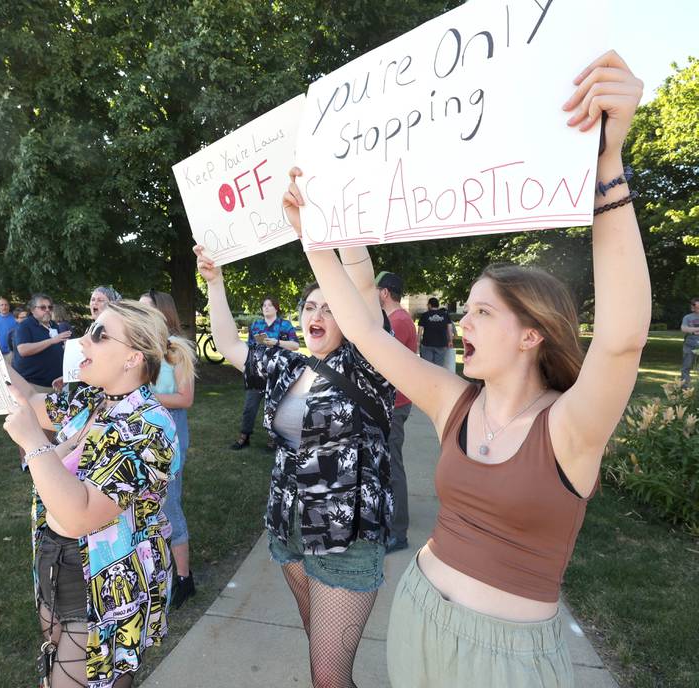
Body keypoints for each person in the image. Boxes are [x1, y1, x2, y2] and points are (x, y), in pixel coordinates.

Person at [285, 52, 647, 688]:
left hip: (507, 662)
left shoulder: (569, 428)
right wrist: (315, 240)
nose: (462, 326)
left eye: (482, 312)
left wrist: (607, 165)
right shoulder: (455, 403)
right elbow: (366, 332)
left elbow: (620, 342)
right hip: (418, 620)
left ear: (531, 333)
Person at [0, 299, 190, 687]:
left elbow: (81, 514)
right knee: (54, 666)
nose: (82, 342)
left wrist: (34, 443)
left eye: (98, 335)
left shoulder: (149, 427)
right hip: (56, 559)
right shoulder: (91, 399)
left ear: (132, 358)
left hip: (105, 581)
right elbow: (28, 398)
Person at [195, 243, 394, 688]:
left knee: (326, 677)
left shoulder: (371, 364)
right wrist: (215, 282)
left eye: (330, 306)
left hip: (345, 538)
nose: (316, 314)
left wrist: (340, 234)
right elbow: (228, 343)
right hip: (289, 529)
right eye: (309, 305)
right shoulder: (287, 365)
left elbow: (362, 285)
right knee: (321, 654)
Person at [140, 290, 198, 608]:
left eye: (145, 308)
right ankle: (155, 571)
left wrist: (143, 397)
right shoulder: (139, 347)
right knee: (146, 505)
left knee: (169, 504)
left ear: (163, 312)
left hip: (170, 434)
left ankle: (184, 580)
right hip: (141, 434)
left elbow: (185, 399)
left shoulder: (177, 349)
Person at [376, 271, 417, 554]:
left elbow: (380, 358)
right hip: (391, 402)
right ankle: (388, 519)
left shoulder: (399, 321)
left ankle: (398, 533)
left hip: (395, 404)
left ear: (385, 292)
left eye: (375, 289)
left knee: (393, 467)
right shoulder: (397, 319)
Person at [229, 296, 300, 450]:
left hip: (277, 373)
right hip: (257, 372)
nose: (266, 307)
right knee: (250, 406)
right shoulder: (256, 325)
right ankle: (244, 436)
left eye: (269, 305)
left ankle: (273, 439)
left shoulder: (285, 325)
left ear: (276, 308)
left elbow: (295, 346)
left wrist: (277, 343)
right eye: (264, 305)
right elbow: (249, 346)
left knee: (274, 407)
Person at [13, 293, 71, 394]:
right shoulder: (25, 326)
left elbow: (57, 347)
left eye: (50, 307)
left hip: (58, 383)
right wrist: (52, 341)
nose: (47, 310)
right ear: (32, 310)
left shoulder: (53, 325)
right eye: (43, 307)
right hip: (36, 385)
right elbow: (23, 350)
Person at [417, 297, 454, 366]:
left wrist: (418, 342)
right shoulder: (445, 315)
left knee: (427, 366)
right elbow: (450, 329)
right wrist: (450, 341)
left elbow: (420, 330)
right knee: (438, 367)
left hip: (427, 344)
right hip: (442, 344)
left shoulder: (425, 315)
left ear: (430, 305)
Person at [680, 297, 699, 388]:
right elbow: (684, 328)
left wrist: (691, 330)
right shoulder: (687, 317)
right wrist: (695, 330)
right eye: (693, 305)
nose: (693, 307)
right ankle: (685, 389)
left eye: (695, 305)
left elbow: (688, 329)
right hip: (689, 345)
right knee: (686, 367)